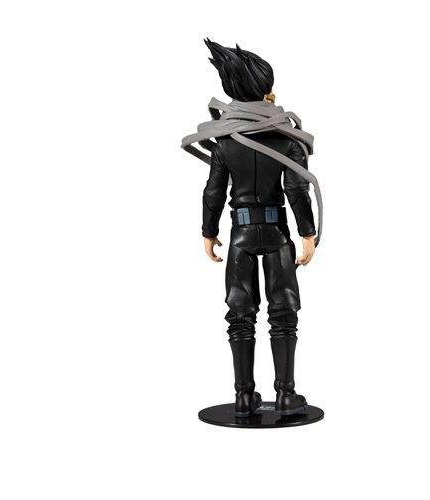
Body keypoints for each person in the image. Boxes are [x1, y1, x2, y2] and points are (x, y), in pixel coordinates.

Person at [185, 39, 318, 417]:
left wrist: (208, 231)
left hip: (241, 235)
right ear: (266, 90)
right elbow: (296, 190)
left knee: (240, 314)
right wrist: (308, 233)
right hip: (277, 232)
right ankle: (286, 394)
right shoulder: (288, 139)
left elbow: (213, 191)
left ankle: (244, 396)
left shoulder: (225, 142)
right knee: (284, 313)